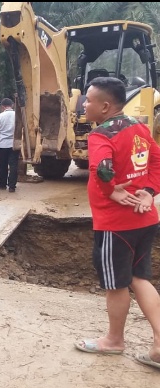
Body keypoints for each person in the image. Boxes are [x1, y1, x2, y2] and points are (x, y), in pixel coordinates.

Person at [73, 77, 160, 371]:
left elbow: (102, 168)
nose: (84, 104)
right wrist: (148, 192)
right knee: (139, 278)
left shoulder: (101, 135)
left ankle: (113, 340)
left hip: (116, 223)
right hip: (145, 217)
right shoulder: (139, 127)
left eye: (88, 100)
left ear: (105, 106)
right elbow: (157, 162)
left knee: (116, 284)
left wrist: (113, 191)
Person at [0, 98, 19, 192]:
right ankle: (12, 186)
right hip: (14, 144)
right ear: (12, 105)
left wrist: (1, 131)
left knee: (2, 165)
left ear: (3, 106)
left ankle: (2, 184)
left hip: (2, 144)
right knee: (13, 165)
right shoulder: (17, 115)